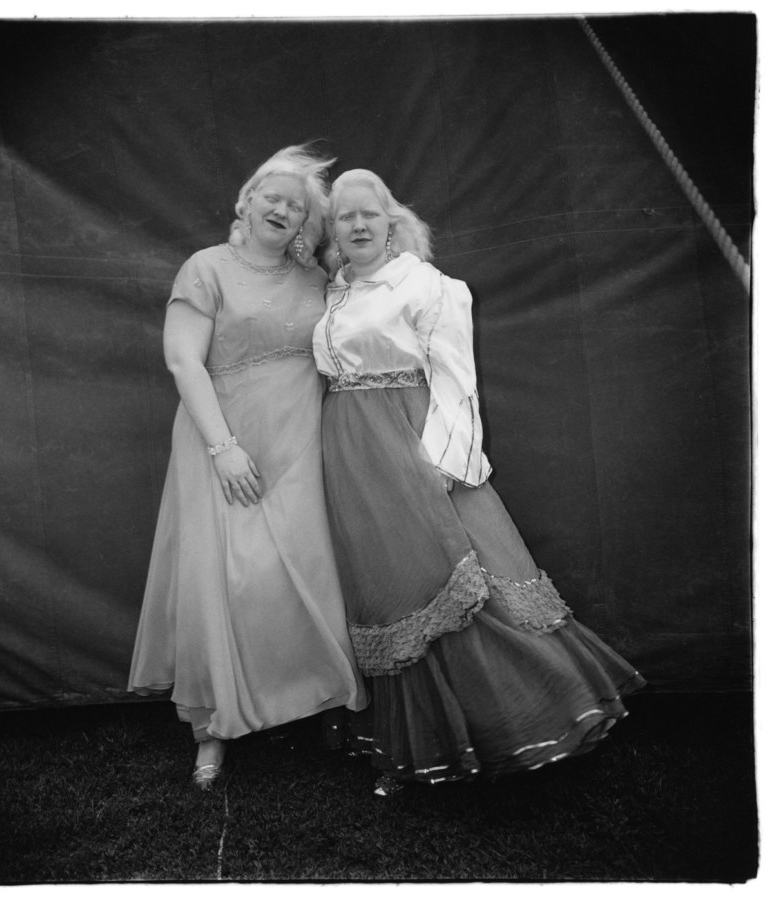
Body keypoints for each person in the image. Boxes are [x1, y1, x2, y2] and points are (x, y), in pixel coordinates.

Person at [312, 168, 646, 796]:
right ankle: (406, 742)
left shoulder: (428, 285)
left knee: (449, 583)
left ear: (392, 220)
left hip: (407, 443)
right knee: (386, 590)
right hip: (349, 454)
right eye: (343, 216)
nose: (356, 224)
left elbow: (457, 381)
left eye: (369, 213)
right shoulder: (336, 291)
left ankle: (519, 722)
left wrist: (441, 466)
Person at [128, 145, 366, 791]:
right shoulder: (206, 268)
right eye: (274, 196)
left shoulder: (316, 278)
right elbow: (184, 362)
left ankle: (328, 703)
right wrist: (222, 447)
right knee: (222, 579)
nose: (283, 209)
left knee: (309, 573)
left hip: (304, 440)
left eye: (295, 206)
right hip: (224, 439)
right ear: (247, 200)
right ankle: (214, 728)